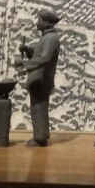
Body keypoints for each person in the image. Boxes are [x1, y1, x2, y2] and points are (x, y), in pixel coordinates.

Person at [18, 8, 61, 148]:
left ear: (47, 22)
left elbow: (45, 59)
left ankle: (40, 138)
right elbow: (39, 54)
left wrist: (24, 63)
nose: (37, 22)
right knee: (38, 107)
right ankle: (41, 135)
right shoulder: (47, 38)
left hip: (41, 79)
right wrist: (27, 50)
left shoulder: (50, 38)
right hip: (40, 78)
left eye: (40, 20)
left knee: (39, 108)